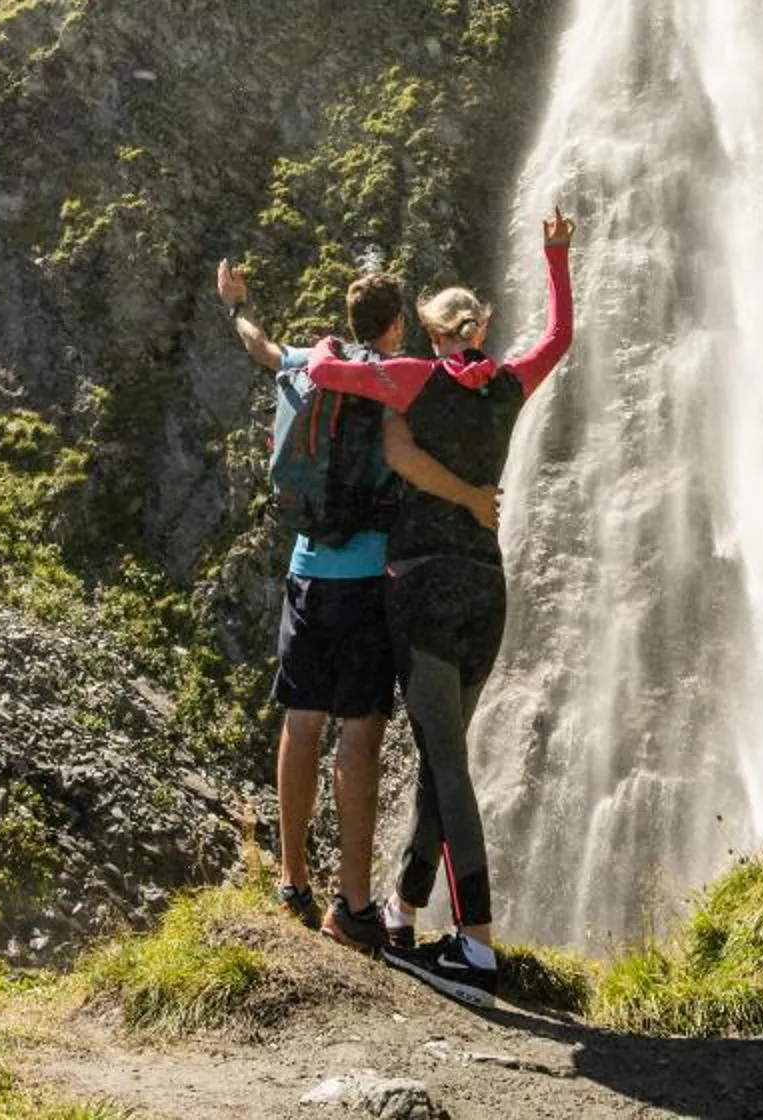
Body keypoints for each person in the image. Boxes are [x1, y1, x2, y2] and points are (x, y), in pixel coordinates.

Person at [300, 208, 572, 1007]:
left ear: (430, 331)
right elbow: (559, 336)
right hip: (487, 590)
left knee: (446, 763)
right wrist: (557, 257)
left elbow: (324, 375)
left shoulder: (415, 379)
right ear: (482, 326)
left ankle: (477, 948)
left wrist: (324, 346)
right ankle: (404, 907)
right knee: (440, 752)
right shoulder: (513, 384)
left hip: (420, 590)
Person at [215, 258, 421, 953]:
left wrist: (235, 303)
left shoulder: (307, 363)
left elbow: (256, 344)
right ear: (395, 324)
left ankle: (292, 882)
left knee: (301, 723)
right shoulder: (392, 381)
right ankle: (354, 905)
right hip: (367, 579)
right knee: (358, 733)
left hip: (306, 570)